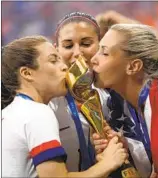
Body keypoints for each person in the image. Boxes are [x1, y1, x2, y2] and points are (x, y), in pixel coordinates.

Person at [2, 35, 128, 177]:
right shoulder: (38, 113)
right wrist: (107, 163)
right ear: (27, 73)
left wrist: (102, 167)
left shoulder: (11, 113)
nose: (64, 67)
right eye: (53, 60)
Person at [91, 24, 158, 176]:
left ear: (133, 66)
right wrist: (128, 148)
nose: (93, 59)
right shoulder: (130, 99)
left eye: (104, 53)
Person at [49, 11, 115, 171]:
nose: (78, 53)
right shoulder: (48, 101)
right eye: (68, 46)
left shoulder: (112, 94)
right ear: (56, 50)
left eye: (86, 44)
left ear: (100, 45)